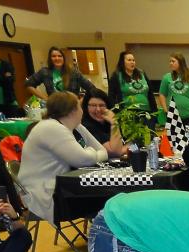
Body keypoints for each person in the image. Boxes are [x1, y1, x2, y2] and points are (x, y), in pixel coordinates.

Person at [17, 91, 110, 222]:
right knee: (109, 197)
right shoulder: (52, 128)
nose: (82, 110)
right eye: (79, 106)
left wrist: (79, 127)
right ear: (72, 111)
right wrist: (90, 151)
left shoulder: (61, 125)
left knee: (105, 195)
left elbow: (103, 152)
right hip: (45, 198)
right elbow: (84, 160)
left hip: (53, 191)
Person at [26, 47, 94, 100]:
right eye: (54, 56)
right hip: (55, 108)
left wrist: (80, 102)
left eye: (60, 56)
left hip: (72, 108)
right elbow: (29, 85)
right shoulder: (44, 72)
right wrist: (45, 98)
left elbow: (92, 89)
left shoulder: (74, 72)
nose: (57, 58)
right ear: (50, 58)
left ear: (63, 58)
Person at [80, 88, 128, 156]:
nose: (98, 109)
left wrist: (123, 150)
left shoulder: (114, 120)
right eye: (93, 105)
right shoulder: (87, 127)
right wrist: (114, 123)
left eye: (102, 105)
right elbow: (114, 152)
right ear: (86, 107)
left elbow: (137, 145)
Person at [158, 53, 189, 120]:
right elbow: (162, 95)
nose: (170, 63)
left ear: (181, 62)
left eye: (173, 61)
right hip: (173, 115)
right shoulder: (166, 77)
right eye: (170, 61)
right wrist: (166, 111)